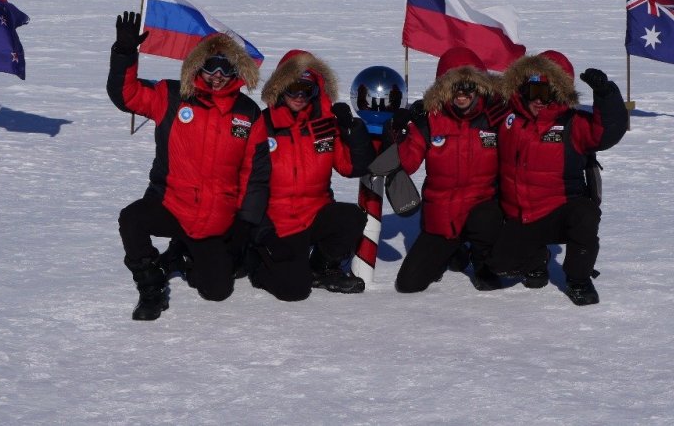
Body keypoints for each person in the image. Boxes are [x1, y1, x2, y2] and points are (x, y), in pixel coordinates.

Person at [106, 12, 270, 320]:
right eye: (211, 66)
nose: (218, 75)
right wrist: (125, 53)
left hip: (216, 218)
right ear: (198, 65)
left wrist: (244, 223)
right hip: (172, 205)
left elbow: (256, 174)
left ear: (237, 69)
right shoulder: (171, 95)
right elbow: (125, 95)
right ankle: (151, 288)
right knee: (132, 219)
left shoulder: (248, 113)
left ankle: (183, 253)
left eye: (227, 67)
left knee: (216, 291)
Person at [488, 50, 628, 305]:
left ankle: (578, 279)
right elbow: (471, 115)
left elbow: (607, 133)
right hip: (520, 215)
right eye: (534, 92)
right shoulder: (507, 118)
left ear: (560, 94)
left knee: (585, 215)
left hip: (559, 210)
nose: (540, 101)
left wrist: (606, 95)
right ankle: (536, 260)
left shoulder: (573, 124)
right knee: (500, 266)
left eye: (549, 93)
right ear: (522, 88)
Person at [249, 50, 374, 301]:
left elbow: (352, 167)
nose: (299, 96)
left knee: (351, 218)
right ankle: (256, 263)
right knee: (295, 290)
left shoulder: (325, 124)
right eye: (292, 88)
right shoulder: (262, 125)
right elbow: (247, 185)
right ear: (279, 87)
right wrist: (262, 230)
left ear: (316, 91)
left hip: (314, 213)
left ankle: (323, 267)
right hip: (278, 223)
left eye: (306, 90)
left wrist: (354, 130)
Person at [386, 46, 506, 293]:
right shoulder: (429, 121)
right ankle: (454, 249)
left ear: (479, 86)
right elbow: (408, 164)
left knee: (487, 217)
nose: (461, 94)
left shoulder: (495, 118)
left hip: (482, 214)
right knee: (409, 284)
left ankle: (482, 260)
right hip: (442, 219)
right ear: (443, 89)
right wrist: (398, 134)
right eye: (454, 87)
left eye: (468, 87)